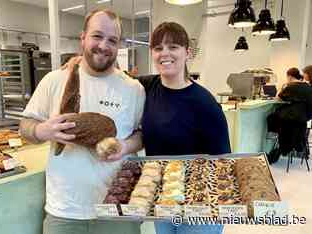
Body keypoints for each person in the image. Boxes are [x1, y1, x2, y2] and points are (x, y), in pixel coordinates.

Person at [64, 21, 230, 234]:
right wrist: (80, 63)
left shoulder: (205, 103)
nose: (165, 54)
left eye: (173, 47)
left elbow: (223, 161)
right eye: (158, 48)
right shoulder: (148, 86)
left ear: (187, 53)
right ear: (152, 52)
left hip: (197, 206)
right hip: (163, 199)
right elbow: (115, 75)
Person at [19, 9, 145, 234]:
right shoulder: (55, 80)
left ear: (119, 45)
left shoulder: (133, 89)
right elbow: (25, 127)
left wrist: (125, 146)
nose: (104, 45)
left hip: (118, 210)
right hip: (65, 212)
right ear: (83, 38)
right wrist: (42, 130)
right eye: (97, 36)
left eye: (112, 40)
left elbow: (141, 135)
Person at [269, 68, 312, 162]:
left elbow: (278, 98)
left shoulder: (291, 86)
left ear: (289, 76)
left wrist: (283, 87)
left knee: (272, 117)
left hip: (290, 119)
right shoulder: (309, 87)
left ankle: (272, 135)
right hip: (303, 119)